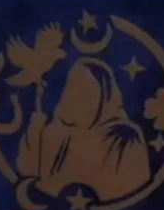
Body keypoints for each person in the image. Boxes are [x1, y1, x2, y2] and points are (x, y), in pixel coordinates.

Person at [18, 57, 152, 202]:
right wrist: (37, 123)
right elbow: (28, 171)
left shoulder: (123, 137)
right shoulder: (57, 134)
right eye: (70, 88)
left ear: (102, 97)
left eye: (83, 91)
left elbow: (135, 192)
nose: (72, 97)